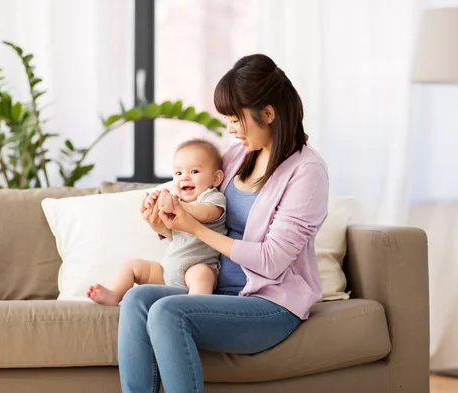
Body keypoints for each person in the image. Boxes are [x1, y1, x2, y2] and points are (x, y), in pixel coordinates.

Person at [117, 53, 329, 393]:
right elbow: (195, 211)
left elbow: (271, 261)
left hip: (269, 304)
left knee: (169, 311)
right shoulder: (236, 155)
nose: (230, 129)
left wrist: (195, 227)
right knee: (137, 299)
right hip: (216, 291)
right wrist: (161, 220)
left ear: (268, 113)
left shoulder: (307, 173)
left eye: (235, 119)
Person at [86, 139, 227, 306]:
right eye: (178, 173)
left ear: (216, 178)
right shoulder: (179, 199)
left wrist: (178, 206)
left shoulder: (212, 197)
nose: (185, 178)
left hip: (196, 267)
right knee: (133, 265)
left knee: (202, 275)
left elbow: (206, 213)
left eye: (194, 171)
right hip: (167, 272)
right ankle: (114, 294)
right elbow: (170, 231)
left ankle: (194, 308)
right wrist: (154, 207)